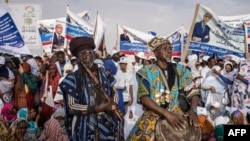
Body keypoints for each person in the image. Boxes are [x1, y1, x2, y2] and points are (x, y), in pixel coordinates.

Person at [127, 37, 200, 140]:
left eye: (170, 48)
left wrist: (192, 109)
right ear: (156, 53)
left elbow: (193, 91)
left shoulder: (181, 70)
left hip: (176, 111)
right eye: (165, 48)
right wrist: (167, 114)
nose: (169, 50)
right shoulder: (146, 72)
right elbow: (144, 98)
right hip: (154, 113)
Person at [59, 36, 119, 141]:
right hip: (85, 127)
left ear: (93, 54)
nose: (85, 57)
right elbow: (72, 107)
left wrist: (112, 105)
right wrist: (97, 108)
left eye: (87, 53)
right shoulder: (72, 78)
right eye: (81, 55)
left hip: (107, 124)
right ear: (77, 59)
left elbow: (114, 92)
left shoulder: (104, 74)